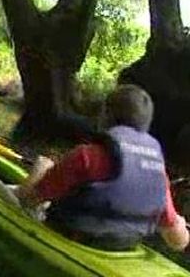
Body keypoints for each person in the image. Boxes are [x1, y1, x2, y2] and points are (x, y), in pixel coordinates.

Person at [13, 84, 189, 251]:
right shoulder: (158, 174)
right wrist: (179, 222)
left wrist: (41, 168)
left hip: (70, 238)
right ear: (146, 126)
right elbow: (178, 242)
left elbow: (28, 200)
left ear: (105, 115)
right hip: (122, 249)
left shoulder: (85, 157)